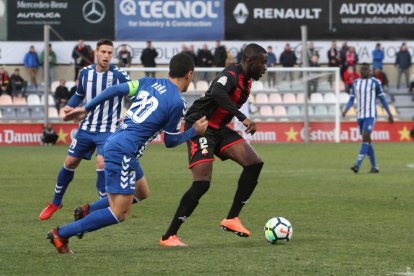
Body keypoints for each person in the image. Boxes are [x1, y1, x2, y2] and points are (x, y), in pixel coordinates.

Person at [46, 53, 208, 254]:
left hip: (121, 145)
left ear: (170, 71)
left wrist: (86, 109)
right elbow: (171, 141)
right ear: (189, 74)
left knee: (141, 192)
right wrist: (194, 132)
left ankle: (87, 211)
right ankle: (61, 234)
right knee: (119, 212)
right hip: (123, 150)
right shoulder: (177, 102)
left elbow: (115, 89)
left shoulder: (149, 82)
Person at [160, 43, 267, 247]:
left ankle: (232, 219)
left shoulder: (247, 82)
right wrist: (242, 118)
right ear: (251, 61)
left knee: (254, 163)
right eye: (263, 62)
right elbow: (218, 91)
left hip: (218, 128)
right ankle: (168, 236)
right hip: (201, 124)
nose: (265, 67)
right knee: (202, 182)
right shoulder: (232, 73)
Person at [38, 39, 131, 221]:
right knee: (71, 162)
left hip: (108, 129)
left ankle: (102, 205)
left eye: (110, 53)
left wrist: (127, 115)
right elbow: (79, 94)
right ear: (96, 53)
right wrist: (69, 106)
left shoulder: (120, 75)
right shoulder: (85, 73)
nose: (106, 56)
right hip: (86, 128)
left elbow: (133, 96)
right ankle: (56, 202)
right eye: (103, 52)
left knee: (102, 163)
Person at [342, 63, 394, 173]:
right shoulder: (355, 83)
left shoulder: (375, 82)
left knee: (365, 136)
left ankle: (357, 165)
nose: (364, 71)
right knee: (367, 141)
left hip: (370, 115)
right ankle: (375, 167)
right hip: (360, 116)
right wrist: (346, 109)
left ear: (369, 71)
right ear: (360, 71)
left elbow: (383, 99)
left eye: (366, 69)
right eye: (362, 69)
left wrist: (389, 113)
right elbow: (351, 99)